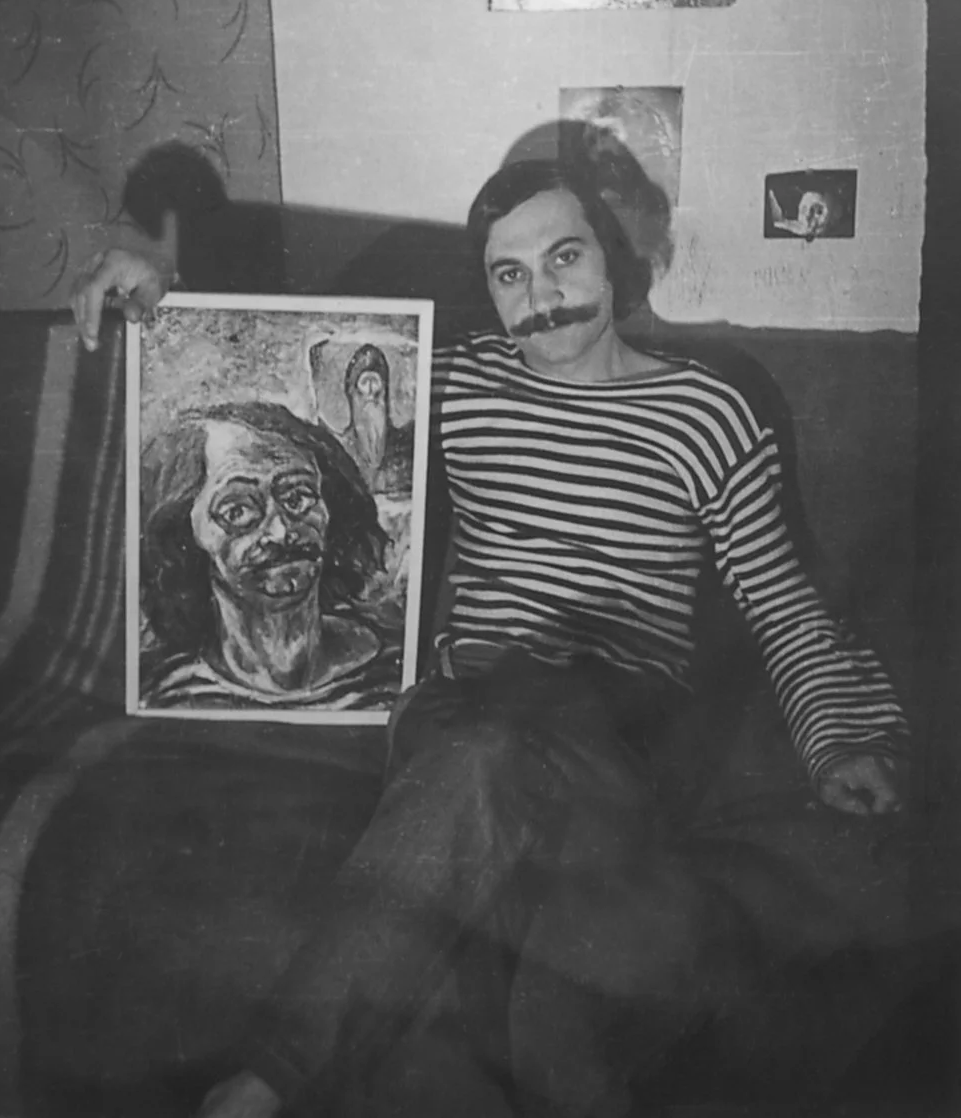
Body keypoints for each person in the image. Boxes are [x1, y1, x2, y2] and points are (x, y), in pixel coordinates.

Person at [71, 156, 905, 1117]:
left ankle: (280, 1081)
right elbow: (272, 323)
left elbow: (784, 600)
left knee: (522, 978)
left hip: (619, 733)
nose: (541, 298)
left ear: (614, 256)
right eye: (510, 274)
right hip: (465, 710)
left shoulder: (708, 413)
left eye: (564, 258)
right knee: (497, 790)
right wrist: (158, 256)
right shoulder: (456, 381)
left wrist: (846, 740)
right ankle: (286, 1083)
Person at [139, 399, 398, 710]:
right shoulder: (164, 694)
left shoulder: (397, 671)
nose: (281, 531)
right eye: (237, 511)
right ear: (184, 534)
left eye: (298, 497)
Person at [334, 343, 414, 498]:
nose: (370, 392)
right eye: (364, 384)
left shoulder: (403, 448)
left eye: (375, 383)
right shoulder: (340, 452)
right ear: (352, 393)